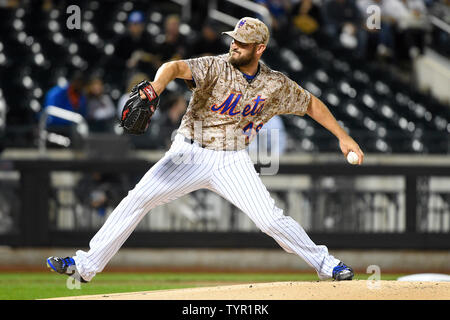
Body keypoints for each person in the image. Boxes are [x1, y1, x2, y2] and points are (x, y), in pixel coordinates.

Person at [46, 17, 364, 283]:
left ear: (260, 48)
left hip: (232, 160)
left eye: (242, 42)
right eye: (234, 39)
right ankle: (84, 267)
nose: (235, 45)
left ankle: (326, 265)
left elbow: (311, 104)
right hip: (188, 153)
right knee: (138, 199)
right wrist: (156, 88)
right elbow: (172, 67)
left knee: (269, 220)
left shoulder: (275, 84)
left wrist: (342, 136)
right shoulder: (214, 66)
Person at [42, 71, 87, 137]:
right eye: (77, 81)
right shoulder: (57, 93)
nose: (79, 84)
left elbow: (83, 112)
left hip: (72, 125)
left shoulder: (81, 95)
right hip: (55, 125)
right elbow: (50, 114)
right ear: (72, 81)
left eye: (81, 82)